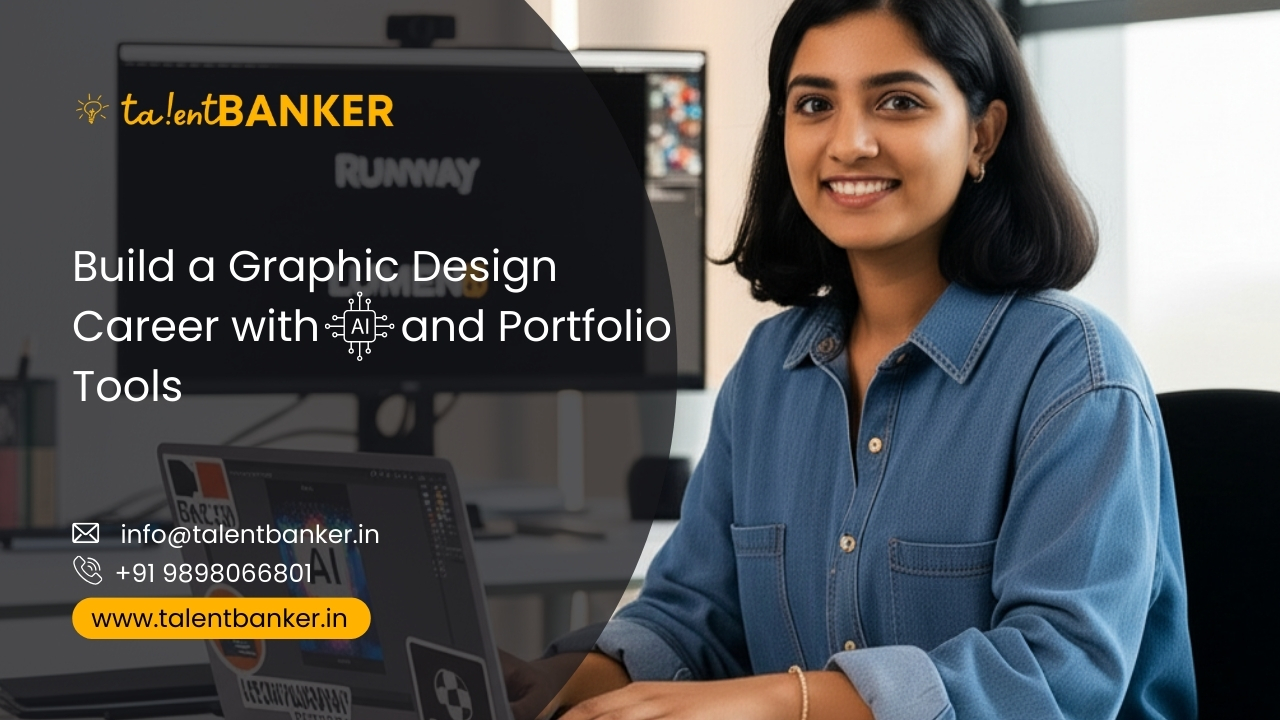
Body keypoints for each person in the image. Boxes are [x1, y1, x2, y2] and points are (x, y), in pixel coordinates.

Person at [505, 0, 1196, 718]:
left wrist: (786, 700)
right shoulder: (770, 369)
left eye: (898, 101)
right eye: (813, 104)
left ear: (982, 135)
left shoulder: (1073, 370)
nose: (849, 143)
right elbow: (691, 617)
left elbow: (1061, 675)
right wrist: (561, 689)